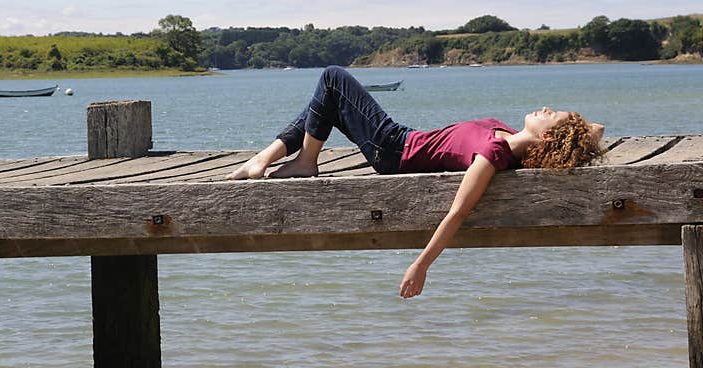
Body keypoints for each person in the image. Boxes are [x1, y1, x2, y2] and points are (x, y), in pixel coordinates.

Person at [227, 65, 605, 299]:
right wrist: (572, 128)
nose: (544, 108)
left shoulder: (493, 154)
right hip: (399, 139)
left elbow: (457, 212)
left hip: (393, 150)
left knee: (331, 78)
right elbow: (595, 131)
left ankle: (305, 162)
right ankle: (263, 160)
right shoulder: (505, 136)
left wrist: (421, 265)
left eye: (551, 114)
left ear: (548, 139)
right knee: (325, 98)